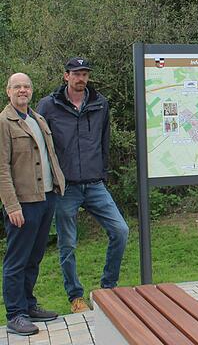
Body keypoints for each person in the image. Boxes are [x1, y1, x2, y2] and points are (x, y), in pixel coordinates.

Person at [37, 58, 129, 313]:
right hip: (66, 188)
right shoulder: (48, 105)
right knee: (68, 244)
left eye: (85, 74)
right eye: (76, 74)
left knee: (120, 231)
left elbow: (104, 140)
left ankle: (108, 289)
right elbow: (40, 146)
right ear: (65, 76)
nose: (81, 78)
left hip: (95, 184)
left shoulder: (99, 103)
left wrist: (102, 172)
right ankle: (75, 297)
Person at [0, 73, 65, 335]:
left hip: (46, 198)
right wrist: (12, 206)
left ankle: (29, 304)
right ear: (8, 91)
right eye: (17, 87)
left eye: (26, 86)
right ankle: (15, 314)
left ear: (32, 90)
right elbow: (2, 169)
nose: (22, 90)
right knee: (17, 260)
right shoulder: (4, 122)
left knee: (34, 257)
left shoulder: (37, 118)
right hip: (23, 203)